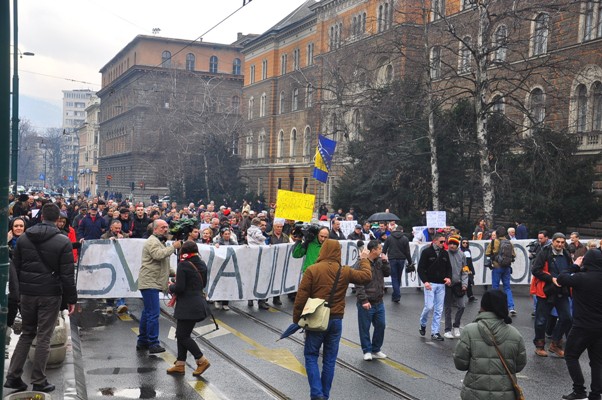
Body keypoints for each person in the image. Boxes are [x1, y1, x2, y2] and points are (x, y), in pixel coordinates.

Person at [4, 203, 77, 393]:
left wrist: (19, 293)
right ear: (57, 220)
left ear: (41, 216)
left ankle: (13, 376)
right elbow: (67, 275)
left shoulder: (24, 238)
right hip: (50, 294)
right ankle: (39, 379)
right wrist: (71, 299)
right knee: (44, 336)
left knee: (27, 334)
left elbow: (16, 268)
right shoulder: (62, 241)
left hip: (27, 294)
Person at [293, 239, 372, 400]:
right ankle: (325, 395)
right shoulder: (344, 270)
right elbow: (366, 276)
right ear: (338, 252)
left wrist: (297, 320)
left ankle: (316, 393)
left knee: (311, 355)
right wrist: (364, 259)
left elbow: (301, 297)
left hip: (316, 319)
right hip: (336, 319)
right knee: (329, 359)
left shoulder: (312, 270)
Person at [453, 290, 527, 400]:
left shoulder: (469, 330)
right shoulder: (515, 334)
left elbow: (460, 364)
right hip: (505, 395)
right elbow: (519, 365)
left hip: (473, 394)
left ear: (483, 307)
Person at [558, 249, 602, 400]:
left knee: (571, 355)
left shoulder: (580, 277)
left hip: (582, 325)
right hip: (600, 327)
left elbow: (562, 278)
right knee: (597, 361)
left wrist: (575, 265)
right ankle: (596, 394)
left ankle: (579, 390)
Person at [166, 241, 211, 376]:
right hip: (198, 303)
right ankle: (180, 364)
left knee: (182, 335)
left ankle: (201, 360)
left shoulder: (183, 265)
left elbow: (180, 288)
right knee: (181, 334)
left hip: (187, 306)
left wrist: (170, 286)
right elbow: (201, 284)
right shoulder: (202, 264)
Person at [137, 219, 182, 354]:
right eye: (162, 227)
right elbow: (158, 255)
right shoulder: (152, 242)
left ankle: (142, 341)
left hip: (152, 281)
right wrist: (173, 247)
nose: (166, 229)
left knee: (147, 313)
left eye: (167, 227)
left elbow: (163, 264)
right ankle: (153, 343)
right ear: (155, 229)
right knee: (153, 314)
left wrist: (176, 273)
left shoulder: (159, 242)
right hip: (150, 282)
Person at [530, 232, 574, 357]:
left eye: (562, 242)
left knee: (567, 318)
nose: (560, 244)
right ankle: (539, 346)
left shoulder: (566, 254)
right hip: (546, 291)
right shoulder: (544, 252)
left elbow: (569, 269)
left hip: (562, 291)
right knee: (541, 321)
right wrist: (551, 279)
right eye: (557, 242)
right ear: (553, 241)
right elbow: (535, 270)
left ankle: (555, 344)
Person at [356, 240, 390, 361]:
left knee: (381, 325)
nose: (382, 251)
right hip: (366, 301)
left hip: (379, 301)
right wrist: (364, 300)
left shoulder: (380, 261)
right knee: (364, 327)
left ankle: (376, 349)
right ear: (373, 250)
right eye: (380, 248)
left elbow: (387, 273)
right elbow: (358, 283)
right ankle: (367, 350)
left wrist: (386, 262)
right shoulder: (361, 263)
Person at [418, 232, 452, 341]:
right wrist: (425, 281)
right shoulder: (426, 252)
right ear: (435, 241)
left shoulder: (445, 253)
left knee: (439, 309)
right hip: (430, 284)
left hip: (441, 284)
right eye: (441, 241)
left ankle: (435, 332)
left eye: (444, 242)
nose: (443, 244)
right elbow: (420, 268)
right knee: (428, 306)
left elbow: (449, 268)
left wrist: (448, 277)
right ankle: (422, 323)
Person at [485, 226, 517, 316]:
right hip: (507, 267)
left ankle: (495, 307)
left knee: (495, 287)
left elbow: (487, 253)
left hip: (497, 267)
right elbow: (513, 255)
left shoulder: (494, 242)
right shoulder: (509, 242)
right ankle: (511, 307)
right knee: (507, 287)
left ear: (497, 234)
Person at [444, 235, 468, 339]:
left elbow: (465, 270)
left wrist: (464, 284)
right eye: (450, 244)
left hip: (458, 284)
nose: (452, 246)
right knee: (448, 307)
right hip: (447, 284)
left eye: (454, 244)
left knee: (462, 306)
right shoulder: (444, 254)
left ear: (457, 245)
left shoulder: (462, 255)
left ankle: (456, 326)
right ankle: (447, 329)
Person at [382, 225, 412, 304]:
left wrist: (383, 258)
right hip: (402, 259)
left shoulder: (389, 238)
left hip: (392, 259)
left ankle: (396, 294)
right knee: (398, 277)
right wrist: (410, 262)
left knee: (394, 277)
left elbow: (384, 249)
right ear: (402, 230)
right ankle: (396, 294)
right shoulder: (405, 239)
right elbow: (407, 252)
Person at [460, 238, 477, 302]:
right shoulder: (460, 250)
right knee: (464, 282)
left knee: (469, 282)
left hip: (467, 268)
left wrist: (471, 270)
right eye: (463, 243)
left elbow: (470, 262)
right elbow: (464, 262)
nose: (465, 244)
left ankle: (470, 296)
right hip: (462, 268)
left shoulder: (468, 250)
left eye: (466, 243)